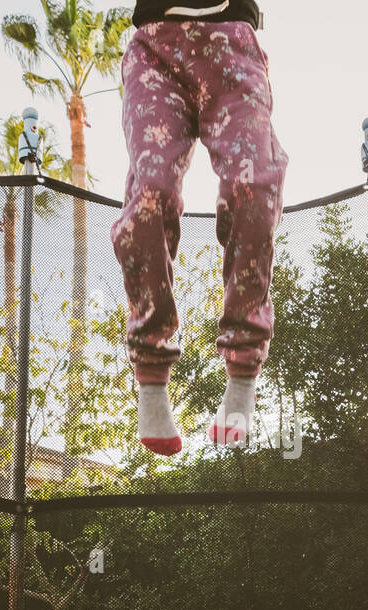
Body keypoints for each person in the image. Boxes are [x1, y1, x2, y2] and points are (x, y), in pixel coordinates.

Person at [111, 1, 287, 455]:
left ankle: (243, 367)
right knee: (150, 194)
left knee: (253, 186)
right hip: (155, 50)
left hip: (232, 47)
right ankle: (150, 373)